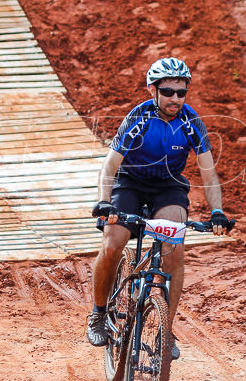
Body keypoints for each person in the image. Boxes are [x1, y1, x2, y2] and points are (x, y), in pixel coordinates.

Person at [85, 57, 233, 360]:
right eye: (168, 91)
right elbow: (110, 166)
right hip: (130, 183)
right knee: (113, 242)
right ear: (153, 89)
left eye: (181, 92)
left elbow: (208, 172)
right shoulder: (138, 118)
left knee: (174, 249)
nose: (175, 99)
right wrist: (104, 201)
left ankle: (166, 327)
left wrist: (217, 211)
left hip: (168, 187)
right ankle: (99, 313)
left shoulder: (191, 122)